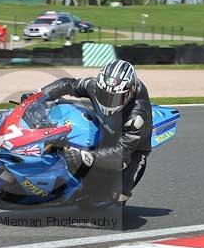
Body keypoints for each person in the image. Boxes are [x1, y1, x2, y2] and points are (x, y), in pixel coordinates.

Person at [27, 59, 152, 204]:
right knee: (62, 111)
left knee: (117, 198)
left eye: (116, 98)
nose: (109, 101)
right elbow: (68, 84)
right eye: (105, 94)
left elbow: (122, 153)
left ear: (129, 93)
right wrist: (39, 96)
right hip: (105, 122)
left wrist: (88, 157)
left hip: (133, 146)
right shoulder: (94, 85)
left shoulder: (136, 116)